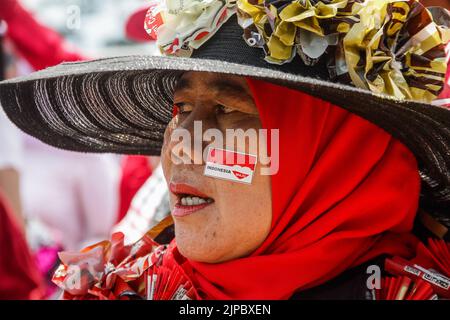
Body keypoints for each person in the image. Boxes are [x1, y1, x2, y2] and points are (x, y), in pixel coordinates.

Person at [1, 0, 449, 300]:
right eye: (179, 107)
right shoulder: (123, 287)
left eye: (226, 109)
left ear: (337, 153)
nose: (180, 144)